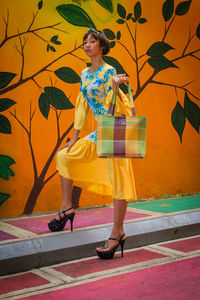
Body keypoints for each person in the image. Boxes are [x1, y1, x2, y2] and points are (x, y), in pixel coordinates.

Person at [48, 28, 137, 259]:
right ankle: (67, 208)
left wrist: (117, 83)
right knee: (64, 156)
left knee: (119, 180)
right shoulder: (84, 74)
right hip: (99, 132)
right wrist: (76, 136)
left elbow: (116, 104)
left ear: (102, 46)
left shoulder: (110, 71)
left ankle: (118, 233)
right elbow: (82, 105)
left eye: (92, 41)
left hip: (115, 130)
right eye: (85, 42)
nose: (87, 45)